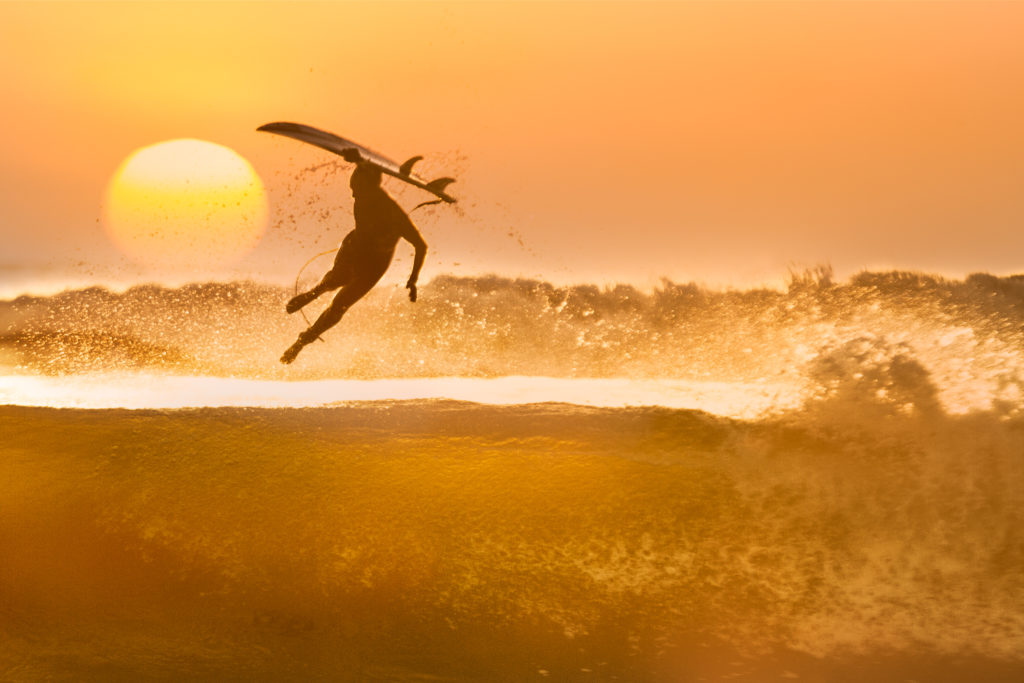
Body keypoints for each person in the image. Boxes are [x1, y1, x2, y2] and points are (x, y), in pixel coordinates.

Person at [280, 149, 427, 364]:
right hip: (355, 249)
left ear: (367, 187)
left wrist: (413, 280)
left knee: (339, 306)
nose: (353, 195)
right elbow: (370, 172)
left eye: (356, 189)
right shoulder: (366, 193)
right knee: (336, 279)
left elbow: (421, 246)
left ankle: (301, 342)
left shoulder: (395, 216)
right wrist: (357, 160)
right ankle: (316, 292)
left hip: (376, 265)